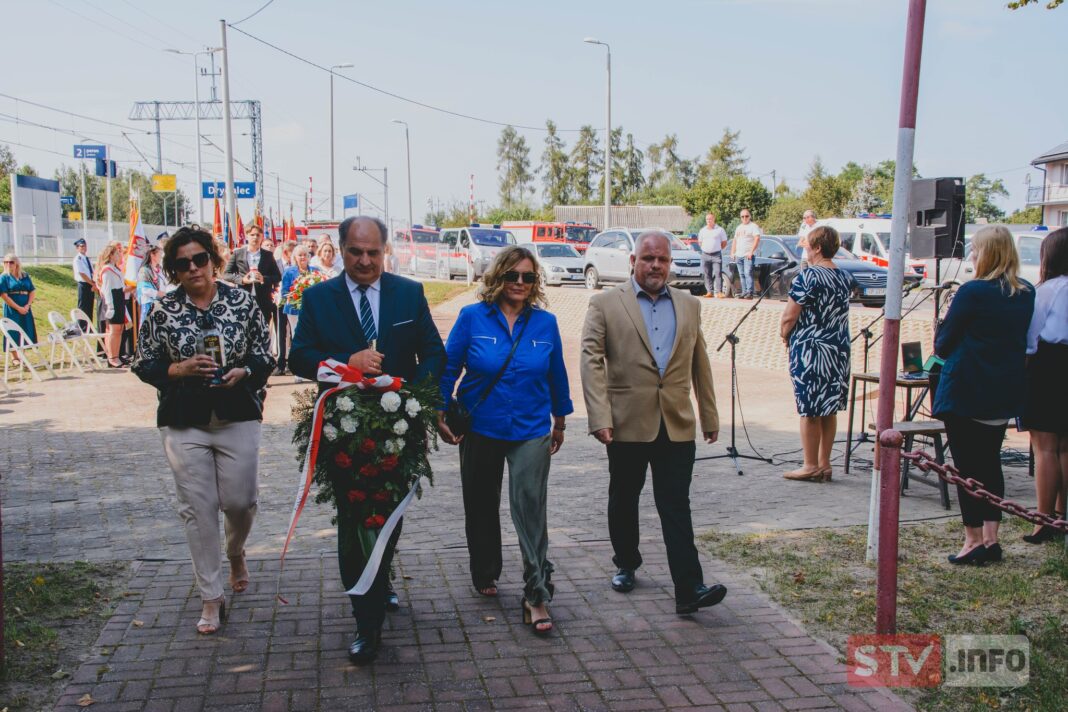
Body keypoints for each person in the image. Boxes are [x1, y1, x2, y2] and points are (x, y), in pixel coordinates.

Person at [290, 215, 445, 664]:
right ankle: (366, 619)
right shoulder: (319, 298)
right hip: (344, 429)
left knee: (389, 515)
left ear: (385, 251)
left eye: (373, 253)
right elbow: (299, 356)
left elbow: (433, 351)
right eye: (355, 252)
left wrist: (418, 396)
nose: (364, 261)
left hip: (400, 425)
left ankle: (380, 580)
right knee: (355, 516)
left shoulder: (408, 294)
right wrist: (346, 361)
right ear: (341, 249)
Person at [132, 226, 274, 635]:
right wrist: (177, 369)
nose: (193, 268)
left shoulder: (243, 302)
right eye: (182, 263)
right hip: (183, 420)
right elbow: (143, 363)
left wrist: (243, 371)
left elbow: (265, 355)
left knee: (240, 501)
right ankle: (211, 597)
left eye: (200, 259)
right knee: (197, 510)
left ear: (214, 259)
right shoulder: (162, 309)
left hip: (237, 414)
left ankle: (235, 552)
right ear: (174, 270)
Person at [580, 230, 726, 615]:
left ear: (670, 263)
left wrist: (709, 415)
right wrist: (599, 416)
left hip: (676, 423)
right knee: (624, 498)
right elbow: (591, 361)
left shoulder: (689, 305)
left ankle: (688, 587)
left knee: (676, 504)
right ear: (633, 261)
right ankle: (626, 562)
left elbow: (700, 362)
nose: (656, 266)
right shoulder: (606, 304)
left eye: (662, 259)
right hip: (626, 423)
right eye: (648, 259)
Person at [437, 246, 572, 636]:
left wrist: (560, 420)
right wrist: (440, 410)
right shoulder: (471, 318)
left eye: (528, 277)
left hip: (530, 428)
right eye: (513, 275)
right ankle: (485, 570)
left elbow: (556, 373)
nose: (519, 283)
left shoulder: (545, 324)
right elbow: (449, 368)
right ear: (497, 277)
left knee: (530, 507)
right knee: (480, 503)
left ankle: (536, 591)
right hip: (481, 426)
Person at [933, 225, 1034, 565]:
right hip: (1002, 389)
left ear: (986, 253)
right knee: (991, 463)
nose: (971, 256)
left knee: (966, 468)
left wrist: (945, 318)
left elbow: (943, 344)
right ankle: (992, 538)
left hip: (966, 388)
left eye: (975, 250)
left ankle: (972, 539)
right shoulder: (1026, 292)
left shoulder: (973, 292)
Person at [778, 226, 855, 482]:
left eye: (807, 245)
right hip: (838, 348)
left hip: (812, 349)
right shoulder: (844, 277)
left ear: (818, 247)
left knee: (809, 408)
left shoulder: (808, 276)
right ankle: (825, 464)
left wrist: (784, 334)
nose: (805, 250)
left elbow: (790, 315)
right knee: (828, 407)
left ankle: (810, 465)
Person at [1021, 227, 1068, 543]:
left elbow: (1030, 338)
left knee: (1045, 447)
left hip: (1048, 365)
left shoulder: (1048, 290)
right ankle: (1063, 514)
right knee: (1066, 445)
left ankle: (1043, 519)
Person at [223, 224, 281, 330]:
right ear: (247, 236)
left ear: (262, 237)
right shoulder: (238, 253)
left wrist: (264, 279)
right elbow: (226, 274)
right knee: (244, 329)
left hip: (263, 299)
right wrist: (242, 280)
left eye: (258, 235)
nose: (255, 237)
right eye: (252, 235)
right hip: (243, 298)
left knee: (263, 330)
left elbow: (277, 276)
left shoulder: (268, 255)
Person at [96, 242, 134, 368]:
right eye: (117, 253)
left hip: (119, 298)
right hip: (112, 300)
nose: (119, 255)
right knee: (113, 330)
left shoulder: (115, 268)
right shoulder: (107, 269)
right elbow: (106, 290)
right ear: (111, 255)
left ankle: (117, 356)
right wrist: (110, 306)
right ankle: (112, 357)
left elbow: (121, 287)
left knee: (119, 329)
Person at [1, 254, 37, 357]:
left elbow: (32, 290)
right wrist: (18, 308)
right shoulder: (4, 277)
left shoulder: (24, 276)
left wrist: (27, 305)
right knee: (12, 330)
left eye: (11, 262)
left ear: (17, 263)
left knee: (25, 328)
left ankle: (22, 355)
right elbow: (4, 295)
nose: (8, 264)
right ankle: (15, 357)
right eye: (6, 262)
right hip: (12, 308)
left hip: (25, 307)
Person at [730, 209, 761, 299]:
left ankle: (749, 292)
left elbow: (757, 239)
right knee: (741, 274)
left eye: (746, 216)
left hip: (748, 254)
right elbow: (735, 240)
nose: (744, 218)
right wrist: (732, 252)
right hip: (739, 254)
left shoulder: (753, 226)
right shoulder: (739, 227)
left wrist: (751, 251)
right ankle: (744, 292)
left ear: (750, 216)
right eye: (742, 216)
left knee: (748, 273)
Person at [698, 212, 728, 299]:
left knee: (718, 273)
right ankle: (709, 291)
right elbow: (700, 242)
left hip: (716, 255)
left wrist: (717, 248)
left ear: (714, 219)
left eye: (710, 219)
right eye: (707, 219)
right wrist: (706, 248)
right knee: (707, 273)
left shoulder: (720, 230)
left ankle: (719, 292)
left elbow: (724, 242)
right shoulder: (702, 230)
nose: (708, 221)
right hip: (705, 254)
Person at [71, 238, 98, 330]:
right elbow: (82, 274)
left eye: (85, 246)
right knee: (83, 306)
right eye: (81, 246)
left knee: (90, 306)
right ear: (77, 248)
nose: (84, 248)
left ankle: (88, 326)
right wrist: (91, 283)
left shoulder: (87, 258)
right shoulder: (77, 259)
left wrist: (94, 282)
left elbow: (91, 272)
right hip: (84, 284)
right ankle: (81, 326)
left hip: (90, 284)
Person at [136, 246, 164, 326]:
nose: (161, 257)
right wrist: (160, 294)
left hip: (160, 304)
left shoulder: (160, 270)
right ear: (152, 255)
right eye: (159, 254)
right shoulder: (144, 270)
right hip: (148, 304)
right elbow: (145, 290)